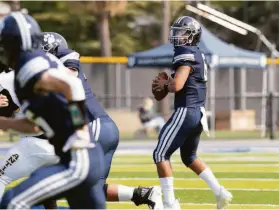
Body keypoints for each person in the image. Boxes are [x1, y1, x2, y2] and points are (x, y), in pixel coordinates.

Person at [39, 31, 163, 210]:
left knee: (58, 182)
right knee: (93, 189)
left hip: (93, 126)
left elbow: (70, 76)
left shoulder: (66, 58)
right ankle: (145, 194)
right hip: (103, 127)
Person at [0, 12, 105, 209]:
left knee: (12, 202)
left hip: (77, 159)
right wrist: (3, 123)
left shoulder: (29, 65)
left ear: (14, 42)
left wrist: (79, 128)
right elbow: (32, 127)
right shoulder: (30, 65)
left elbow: (71, 85)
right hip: (79, 157)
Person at [152, 16, 232, 210]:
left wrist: (165, 84)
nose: (176, 36)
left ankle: (170, 204)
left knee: (160, 154)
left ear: (192, 36)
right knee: (189, 157)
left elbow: (177, 85)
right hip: (198, 112)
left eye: (181, 33)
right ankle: (220, 192)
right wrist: (168, 83)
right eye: (176, 32)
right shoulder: (197, 53)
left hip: (186, 110)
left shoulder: (185, 52)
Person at [0, 71, 59, 209]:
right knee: (44, 184)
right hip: (61, 144)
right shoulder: (45, 72)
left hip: (37, 142)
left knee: (1, 177)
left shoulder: (5, 79)